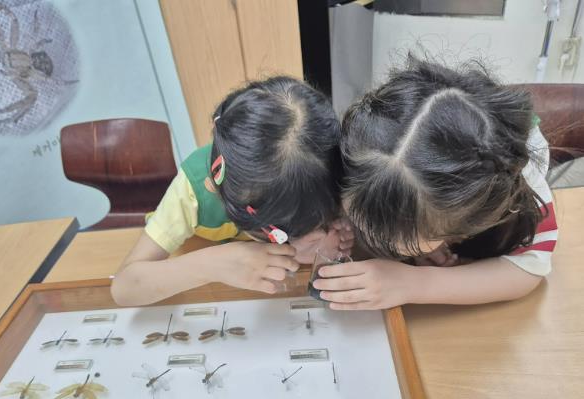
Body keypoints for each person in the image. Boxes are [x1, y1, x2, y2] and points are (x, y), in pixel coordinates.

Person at [313, 58, 557, 310]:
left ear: (465, 224)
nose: (370, 236)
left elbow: (530, 267)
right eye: (360, 219)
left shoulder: (515, 185)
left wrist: (414, 284)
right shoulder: (368, 141)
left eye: (399, 239)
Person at [111, 76, 352, 306]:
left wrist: (307, 246)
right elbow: (124, 288)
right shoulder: (193, 189)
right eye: (280, 235)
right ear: (217, 192)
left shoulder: (331, 172)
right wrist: (211, 265)